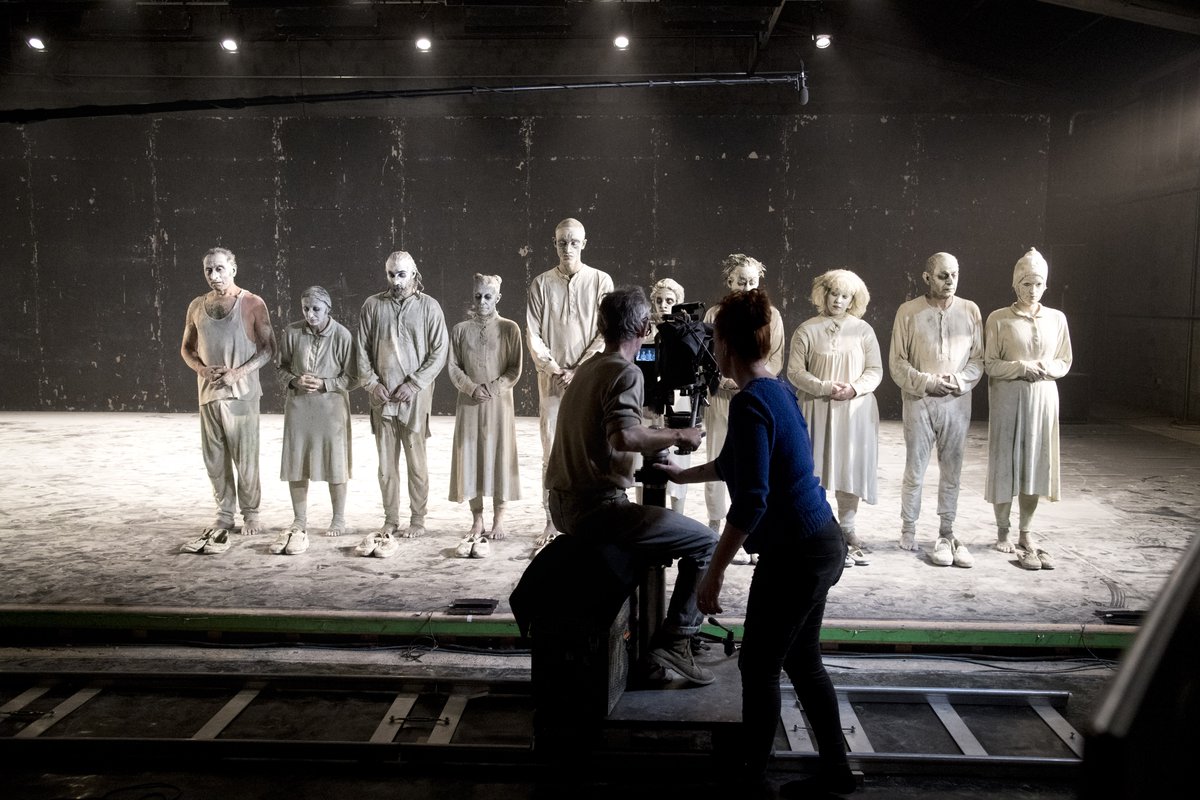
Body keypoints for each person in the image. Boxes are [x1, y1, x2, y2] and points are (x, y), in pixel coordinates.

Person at [660, 289, 852, 796]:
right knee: (802, 660)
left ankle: (751, 776)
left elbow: (751, 503)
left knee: (759, 664)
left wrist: (713, 573)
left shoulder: (749, 403)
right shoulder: (777, 390)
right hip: (821, 541)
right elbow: (737, 464)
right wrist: (682, 474)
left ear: (725, 346)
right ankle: (836, 770)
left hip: (796, 552)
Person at [546, 286, 717, 685]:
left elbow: (612, 433)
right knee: (707, 543)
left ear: (601, 326)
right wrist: (679, 435)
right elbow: (624, 436)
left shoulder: (590, 367)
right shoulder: (626, 371)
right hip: (598, 509)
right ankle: (677, 640)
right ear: (643, 327)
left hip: (563, 504)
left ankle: (650, 644)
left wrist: (652, 436)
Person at [179, 247, 276, 555]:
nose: (214, 275)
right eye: (208, 270)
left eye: (220, 268)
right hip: (209, 393)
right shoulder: (197, 305)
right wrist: (202, 370)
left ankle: (251, 512)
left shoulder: (252, 303)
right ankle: (224, 512)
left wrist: (238, 373)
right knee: (215, 457)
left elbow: (268, 348)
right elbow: (186, 349)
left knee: (245, 458)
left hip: (241, 394)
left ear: (233, 269)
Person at [888, 252, 983, 568]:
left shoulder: (970, 310)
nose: (950, 281)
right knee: (915, 468)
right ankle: (908, 526)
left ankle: (947, 530)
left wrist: (956, 381)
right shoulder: (908, 311)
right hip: (920, 400)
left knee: (952, 469)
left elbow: (978, 359)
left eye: (955, 274)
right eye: (943, 275)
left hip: (956, 400)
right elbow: (897, 362)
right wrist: (927, 382)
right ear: (927, 277)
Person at [526, 218, 613, 549]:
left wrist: (579, 369)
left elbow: (605, 331)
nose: (568, 248)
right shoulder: (541, 284)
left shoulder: (600, 281)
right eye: (562, 242)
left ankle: (590, 518)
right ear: (555, 244)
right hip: (551, 383)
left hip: (589, 380)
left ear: (584, 244)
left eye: (574, 242)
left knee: (591, 447)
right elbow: (533, 333)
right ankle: (551, 519)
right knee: (551, 450)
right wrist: (554, 368)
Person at [984, 248, 1073, 570]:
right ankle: (1002, 530)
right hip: (1009, 396)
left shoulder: (1057, 319)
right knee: (1005, 461)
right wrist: (1021, 367)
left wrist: (1045, 368)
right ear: (1015, 285)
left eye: (1037, 284)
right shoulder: (998, 318)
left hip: (1043, 397)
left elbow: (1064, 360)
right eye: (1025, 284)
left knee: (1034, 463)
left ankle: (1026, 531)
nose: (1032, 290)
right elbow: (990, 363)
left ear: (1045, 286)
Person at [356, 250, 448, 558]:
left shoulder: (429, 307)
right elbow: (361, 350)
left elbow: (439, 352)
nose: (396, 281)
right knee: (386, 466)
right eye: (391, 274)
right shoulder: (372, 306)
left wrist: (415, 383)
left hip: (414, 399)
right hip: (382, 399)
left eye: (402, 275)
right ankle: (391, 518)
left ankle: (418, 518)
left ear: (414, 274)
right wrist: (372, 384)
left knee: (416, 463)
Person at [788, 269, 882, 568]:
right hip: (816, 407)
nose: (838, 301)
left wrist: (854, 388)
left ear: (853, 300)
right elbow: (794, 372)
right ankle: (818, 527)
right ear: (823, 294)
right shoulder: (807, 329)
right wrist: (825, 387)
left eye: (845, 296)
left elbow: (875, 370)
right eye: (834, 294)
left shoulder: (863, 330)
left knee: (849, 468)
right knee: (814, 469)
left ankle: (848, 528)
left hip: (853, 410)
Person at [702, 254, 785, 563]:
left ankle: (751, 531)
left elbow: (775, 358)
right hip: (722, 398)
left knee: (753, 462)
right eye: (741, 281)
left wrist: (749, 379)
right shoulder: (714, 314)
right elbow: (707, 355)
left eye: (752, 282)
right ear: (729, 282)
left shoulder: (772, 316)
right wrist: (723, 380)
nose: (747, 287)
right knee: (718, 458)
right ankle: (715, 524)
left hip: (755, 395)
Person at [274, 286, 355, 556]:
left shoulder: (342, 335)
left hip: (331, 408)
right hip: (299, 406)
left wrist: (325, 383)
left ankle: (338, 518)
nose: (310, 314)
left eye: (316, 309)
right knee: (297, 461)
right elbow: (281, 367)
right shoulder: (292, 332)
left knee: (336, 462)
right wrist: (294, 380)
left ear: (328, 309)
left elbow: (353, 376)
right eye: (306, 308)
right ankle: (299, 519)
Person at [447, 273, 523, 558]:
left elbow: (514, 368)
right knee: (471, 456)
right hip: (469, 403)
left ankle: (499, 518)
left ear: (498, 298)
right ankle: (477, 517)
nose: (482, 301)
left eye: (488, 297)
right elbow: (454, 366)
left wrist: (492, 388)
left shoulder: (509, 328)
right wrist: (470, 388)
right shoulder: (460, 330)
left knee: (499, 455)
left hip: (498, 403)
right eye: (478, 296)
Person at [636, 278, 690, 513]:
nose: (663, 305)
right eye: (658, 300)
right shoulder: (644, 329)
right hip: (647, 400)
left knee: (679, 463)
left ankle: (678, 516)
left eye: (669, 300)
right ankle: (644, 514)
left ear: (678, 302)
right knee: (644, 461)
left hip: (677, 402)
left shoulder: (686, 331)